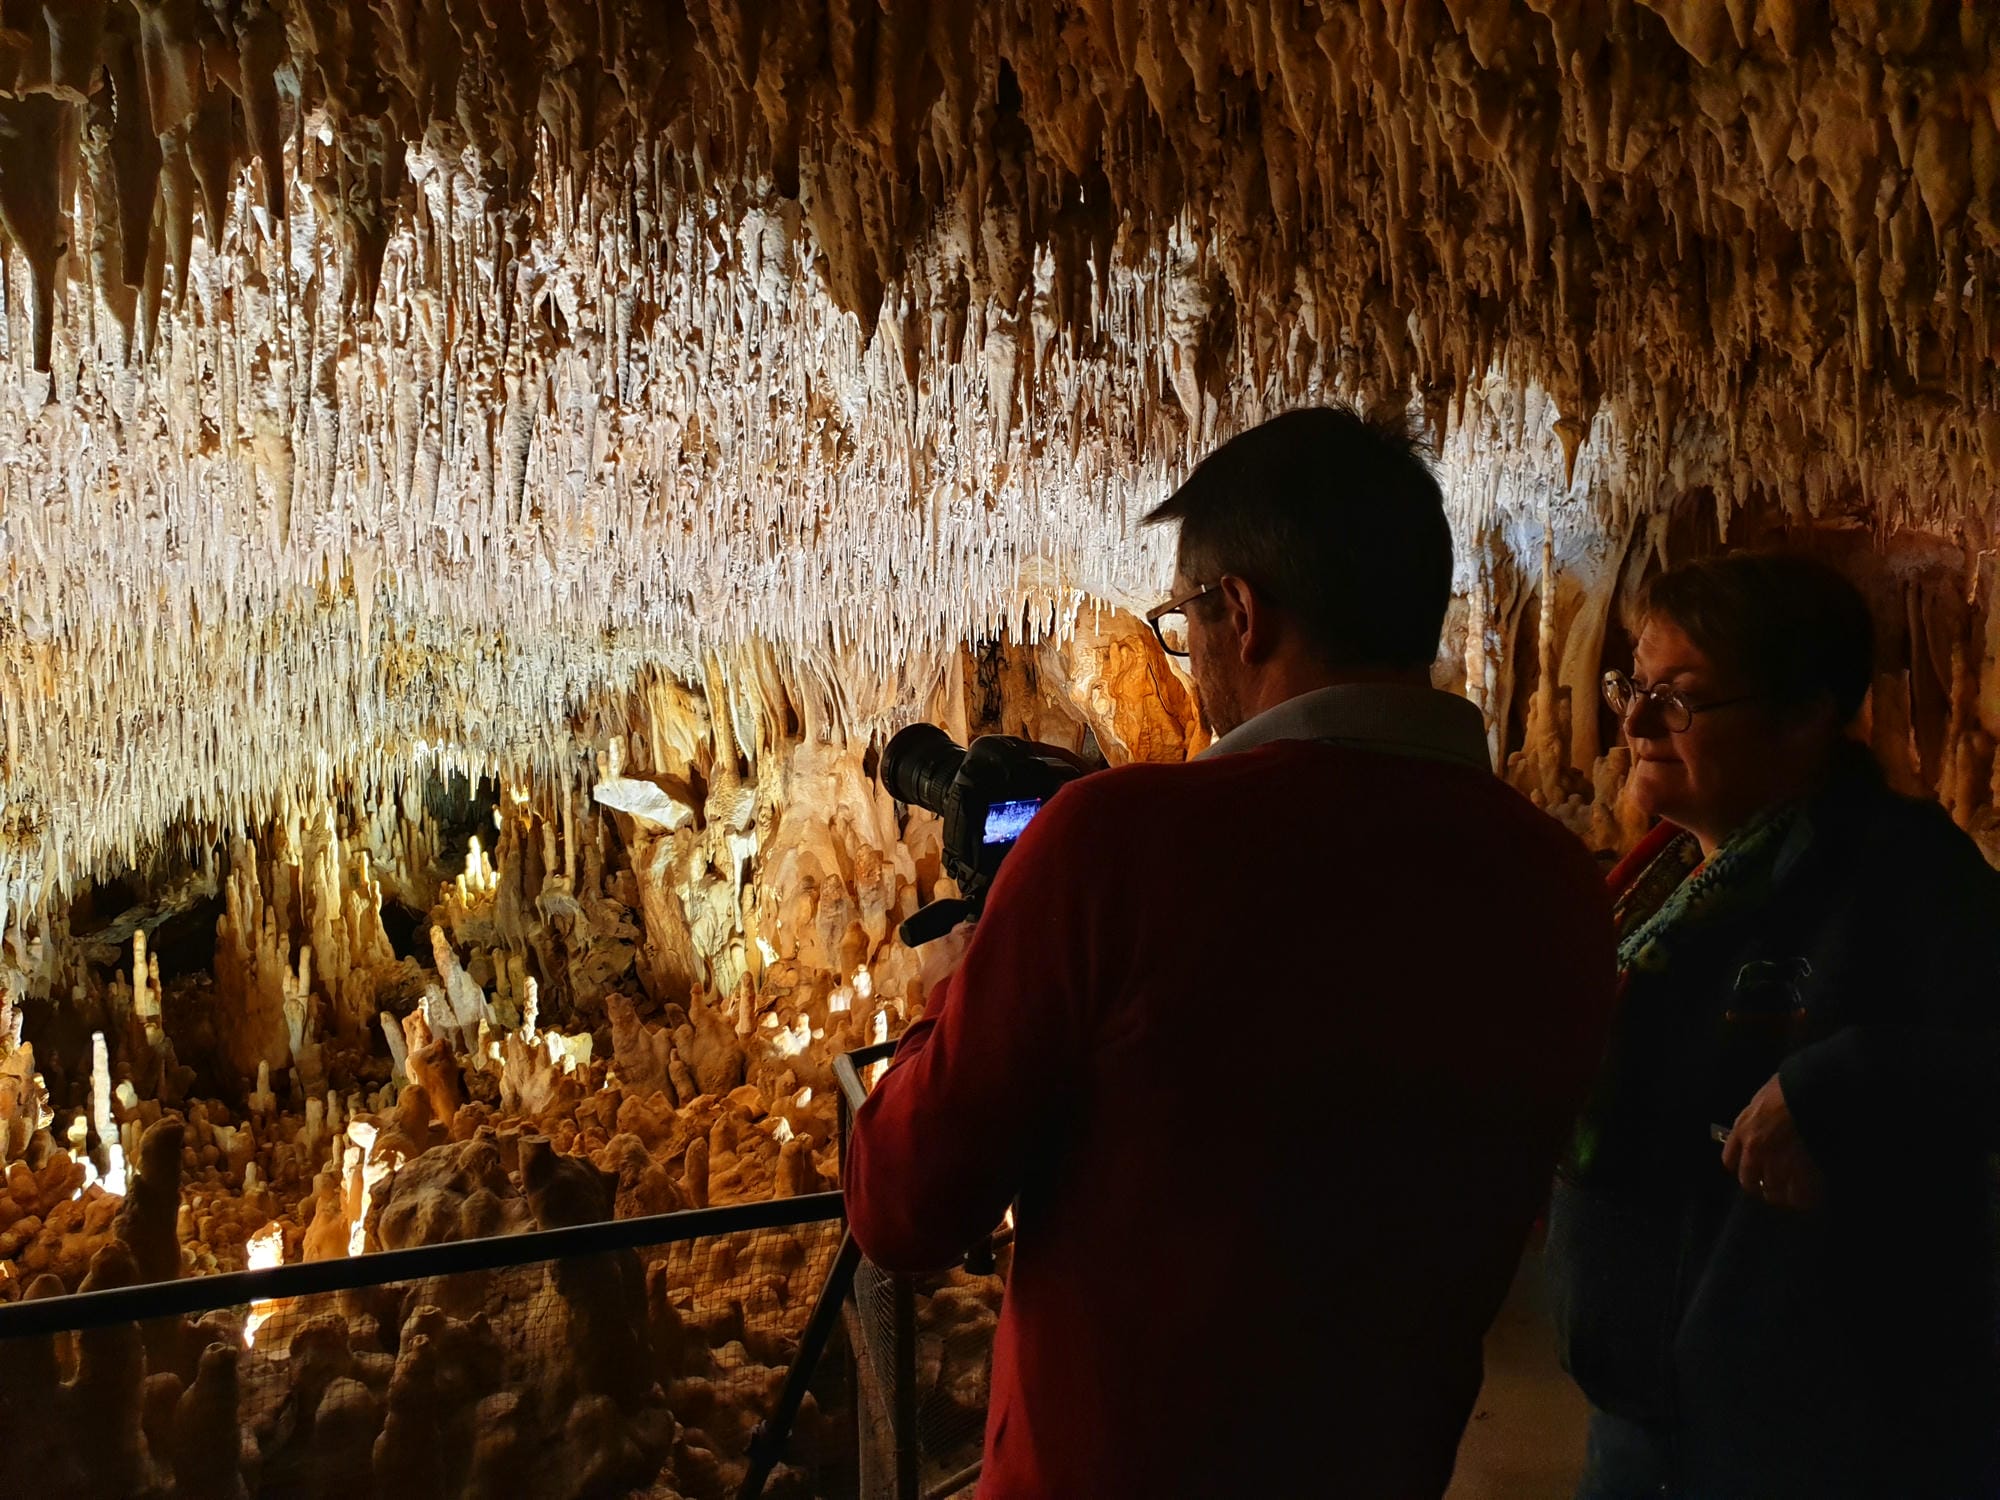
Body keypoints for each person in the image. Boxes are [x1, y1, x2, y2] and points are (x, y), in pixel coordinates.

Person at [844, 405, 1617, 1498]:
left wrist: (970, 957)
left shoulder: (1116, 847)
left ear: (1238, 612)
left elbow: (904, 1205)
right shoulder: (1557, 884)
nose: (1187, 654)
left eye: (1179, 620)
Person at [1547, 551, 2000, 1499]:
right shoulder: (1657, 886)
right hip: (1644, 1396)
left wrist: (1837, 1083)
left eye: (1679, 700)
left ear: (1803, 715)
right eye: (1635, 685)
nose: (1630, 721)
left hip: (1822, 1423)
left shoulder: (1901, 875)